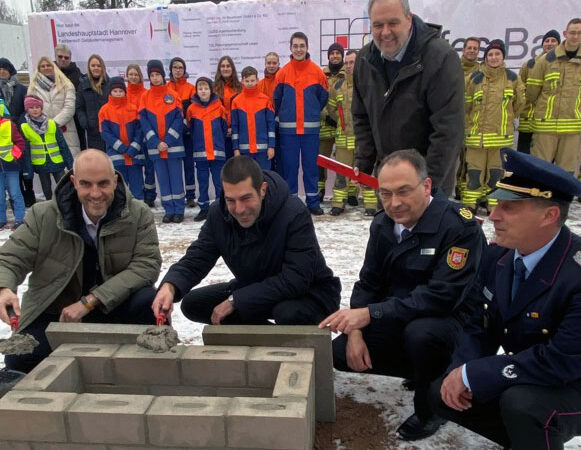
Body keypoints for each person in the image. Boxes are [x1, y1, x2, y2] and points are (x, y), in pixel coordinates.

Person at [320, 149, 485, 441]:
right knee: (340, 353)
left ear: (427, 187)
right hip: (400, 314)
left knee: (422, 335)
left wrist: (371, 314)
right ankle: (425, 372)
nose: (394, 203)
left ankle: (432, 406)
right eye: (385, 194)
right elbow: (368, 281)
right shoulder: (383, 224)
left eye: (404, 191)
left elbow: (440, 297)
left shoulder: (460, 227)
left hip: (448, 320)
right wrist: (356, 329)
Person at [430, 148, 581, 450]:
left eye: (509, 207)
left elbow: (561, 360)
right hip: (532, 371)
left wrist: (476, 374)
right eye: (496, 203)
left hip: (572, 378)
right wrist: (460, 370)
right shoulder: (499, 254)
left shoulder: (575, 273)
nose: (493, 215)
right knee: (441, 392)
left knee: (522, 405)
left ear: (549, 215)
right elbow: (477, 323)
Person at [0, 149, 161, 373]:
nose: (95, 193)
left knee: (148, 301)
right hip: (56, 312)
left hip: (111, 307)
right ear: (74, 182)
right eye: (86, 184)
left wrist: (89, 302)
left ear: (115, 181)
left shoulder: (137, 214)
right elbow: (9, 258)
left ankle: (149, 371)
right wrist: (4, 287)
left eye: (103, 183)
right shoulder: (43, 215)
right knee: (19, 359)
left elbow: (146, 265)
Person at [152, 155, 341, 326]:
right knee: (194, 304)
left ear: (263, 190)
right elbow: (197, 258)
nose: (239, 209)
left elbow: (296, 278)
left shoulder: (293, 213)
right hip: (255, 288)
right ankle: (261, 339)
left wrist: (236, 300)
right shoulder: (219, 214)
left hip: (309, 293)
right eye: (231, 200)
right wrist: (170, 286)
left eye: (246, 198)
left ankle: (293, 342)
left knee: (288, 313)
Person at [352, 0, 464, 196]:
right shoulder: (364, 60)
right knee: (388, 227)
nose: (385, 32)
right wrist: (364, 161)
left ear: (409, 19)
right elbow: (362, 118)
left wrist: (426, 186)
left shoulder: (440, 58)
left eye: (393, 23)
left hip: (428, 183)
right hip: (388, 181)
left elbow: (448, 132)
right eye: (378, 25)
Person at [462, 39, 525, 213]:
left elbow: (520, 104)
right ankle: (470, 204)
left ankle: (493, 205)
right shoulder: (473, 79)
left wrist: (506, 118)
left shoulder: (513, 78)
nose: (494, 57)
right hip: (476, 138)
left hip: (500, 138)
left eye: (497, 54)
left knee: (496, 175)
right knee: (474, 174)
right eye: (490, 54)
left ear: (503, 57)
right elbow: (466, 106)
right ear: (486, 57)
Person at [273, 31, 329, 215]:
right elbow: (277, 99)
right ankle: (291, 204)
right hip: (288, 132)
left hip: (310, 131)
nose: (298, 49)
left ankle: (313, 202)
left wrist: (311, 114)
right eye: (295, 46)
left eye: (301, 46)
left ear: (307, 47)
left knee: (310, 167)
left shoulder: (317, 72)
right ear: (290, 48)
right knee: (290, 168)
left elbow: (323, 98)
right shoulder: (282, 73)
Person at [526, 19, 581, 174]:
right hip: (545, 128)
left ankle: (561, 199)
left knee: (566, 173)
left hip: (572, 129)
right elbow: (531, 93)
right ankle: (540, 199)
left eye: (579, 33)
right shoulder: (546, 60)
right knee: (539, 171)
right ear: (565, 33)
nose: (575, 36)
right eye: (572, 32)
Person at [327, 50, 377, 216]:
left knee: (366, 172)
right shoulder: (337, 87)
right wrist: (342, 123)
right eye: (346, 63)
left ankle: (370, 205)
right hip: (343, 139)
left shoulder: (368, 85)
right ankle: (338, 203)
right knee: (342, 174)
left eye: (352, 62)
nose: (348, 66)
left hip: (364, 141)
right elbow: (332, 109)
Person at [139, 59, 185, 223]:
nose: (155, 77)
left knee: (176, 180)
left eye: (158, 74)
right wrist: (156, 142)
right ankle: (169, 210)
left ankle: (179, 210)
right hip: (156, 148)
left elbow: (179, 120)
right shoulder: (145, 97)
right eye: (152, 75)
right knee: (163, 181)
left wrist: (167, 141)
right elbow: (144, 122)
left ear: (163, 75)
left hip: (173, 147)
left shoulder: (173, 95)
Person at [186, 77, 227, 222]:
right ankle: (204, 209)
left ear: (211, 90)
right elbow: (190, 129)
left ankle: (221, 208)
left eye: (206, 88)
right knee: (202, 183)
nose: (203, 91)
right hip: (200, 153)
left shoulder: (220, 108)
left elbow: (223, 129)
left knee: (219, 182)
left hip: (218, 153)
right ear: (196, 91)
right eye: (200, 89)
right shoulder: (191, 109)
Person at [98, 77, 144, 200]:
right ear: (110, 92)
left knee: (137, 187)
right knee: (119, 189)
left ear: (125, 92)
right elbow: (105, 133)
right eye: (115, 91)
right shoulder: (104, 110)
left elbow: (140, 130)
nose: (118, 93)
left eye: (120, 91)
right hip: (116, 156)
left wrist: (134, 147)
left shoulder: (133, 108)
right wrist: (123, 148)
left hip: (134, 155)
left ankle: (138, 213)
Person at [20, 95, 73, 201]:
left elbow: (62, 144)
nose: (35, 110)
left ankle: (64, 205)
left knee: (63, 187)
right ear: (27, 109)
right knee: (47, 189)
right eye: (31, 107)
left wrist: (70, 163)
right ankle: (51, 207)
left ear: (41, 108)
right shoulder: (24, 127)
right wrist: (28, 170)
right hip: (40, 164)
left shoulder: (52, 124)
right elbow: (26, 151)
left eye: (37, 107)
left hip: (57, 161)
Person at [517, 30, 560, 154]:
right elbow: (520, 91)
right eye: (547, 41)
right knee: (523, 160)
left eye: (553, 41)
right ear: (542, 44)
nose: (549, 43)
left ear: (559, 44)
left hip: (548, 124)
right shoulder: (529, 65)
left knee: (544, 160)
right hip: (527, 122)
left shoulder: (563, 65)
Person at [27, 56, 81, 156]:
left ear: (54, 67)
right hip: (42, 131)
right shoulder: (33, 87)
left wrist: (53, 124)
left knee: (70, 167)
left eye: (48, 65)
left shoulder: (67, 84)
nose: (46, 68)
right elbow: (30, 109)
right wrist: (44, 126)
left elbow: (69, 107)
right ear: (39, 69)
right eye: (42, 66)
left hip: (66, 131)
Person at [0, 57, 36, 207]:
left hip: (19, 130)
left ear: (10, 71)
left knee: (24, 166)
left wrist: (15, 121)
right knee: (10, 169)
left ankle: (29, 197)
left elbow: (26, 109)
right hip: (3, 134)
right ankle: (15, 201)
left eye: (4, 69)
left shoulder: (21, 88)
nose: (2, 71)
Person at [231, 66, 275, 171]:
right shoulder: (236, 101)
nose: (250, 83)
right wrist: (236, 149)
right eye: (247, 81)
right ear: (242, 81)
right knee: (247, 181)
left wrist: (271, 146)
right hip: (244, 151)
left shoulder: (265, 100)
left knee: (264, 179)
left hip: (263, 151)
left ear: (257, 80)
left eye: (252, 80)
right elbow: (235, 128)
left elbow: (271, 126)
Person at [125, 64, 156, 207]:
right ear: (126, 76)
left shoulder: (146, 93)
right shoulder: (123, 93)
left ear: (140, 76)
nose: (133, 77)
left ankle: (149, 196)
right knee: (135, 168)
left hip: (146, 136)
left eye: (135, 74)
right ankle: (136, 195)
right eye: (130, 74)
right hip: (132, 137)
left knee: (149, 168)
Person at [168, 57, 197, 208]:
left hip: (186, 134)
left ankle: (190, 196)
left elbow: (193, 111)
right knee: (174, 167)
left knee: (188, 165)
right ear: (171, 70)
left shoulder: (191, 88)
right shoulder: (166, 89)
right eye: (175, 67)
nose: (178, 70)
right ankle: (176, 194)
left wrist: (185, 126)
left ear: (184, 69)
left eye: (180, 67)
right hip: (170, 136)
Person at [318, 43, 344, 201]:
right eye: (332, 53)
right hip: (324, 125)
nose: (335, 55)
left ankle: (348, 194)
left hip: (343, 127)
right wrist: (326, 116)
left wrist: (339, 119)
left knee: (344, 161)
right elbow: (317, 99)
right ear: (328, 56)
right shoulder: (321, 75)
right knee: (321, 160)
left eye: (338, 53)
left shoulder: (347, 75)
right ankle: (320, 190)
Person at [455, 36, 481, 199]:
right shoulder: (453, 67)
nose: (472, 51)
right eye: (469, 48)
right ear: (463, 50)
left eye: (475, 48)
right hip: (452, 120)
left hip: (472, 122)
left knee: (468, 160)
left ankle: (462, 190)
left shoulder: (482, 71)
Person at [0, 113, 29, 230]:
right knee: (0, 196)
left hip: (11, 166)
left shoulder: (9, 125)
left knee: (15, 193)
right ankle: (1, 219)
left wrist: (14, 156)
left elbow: (20, 143)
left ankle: (19, 219)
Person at [54, 44, 85, 151]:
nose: (63, 59)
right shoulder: (48, 73)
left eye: (66, 57)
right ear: (55, 57)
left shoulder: (78, 75)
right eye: (60, 56)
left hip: (75, 119)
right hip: (54, 117)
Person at [76, 54, 109, 150]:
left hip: (108, 129)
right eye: (93, 66)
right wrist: (84, 121)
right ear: (89, 67)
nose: (96, 68)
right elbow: (79, 107)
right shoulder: (83, 85)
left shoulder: (109, 84)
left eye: (99, 66)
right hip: (91, 131)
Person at [214, 56, 242, 160]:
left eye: (228, 66)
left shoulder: (240, 87)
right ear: (219, 69)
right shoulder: (213, 89)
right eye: (222, 66)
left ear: (232, 68)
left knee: (236, 167)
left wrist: (232, 128)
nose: (225, 68)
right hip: (219, 134)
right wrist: (224, 128)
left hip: (237, 133)